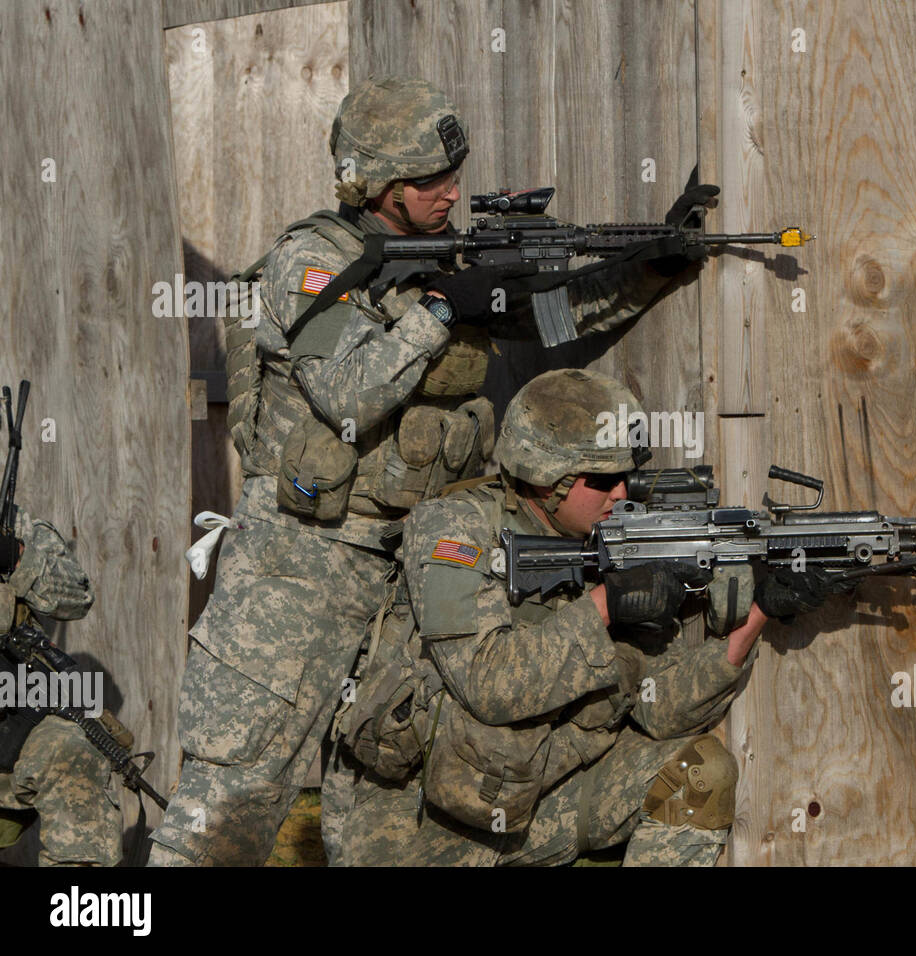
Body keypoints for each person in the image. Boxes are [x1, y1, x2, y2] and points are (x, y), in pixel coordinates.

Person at [150, 77, 710, 866]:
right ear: (373, 183)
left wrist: (651, 265)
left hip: (407, 561)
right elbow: (345, 387)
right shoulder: (308, 263)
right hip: (299, 569)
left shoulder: (443, 257)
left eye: (454, 174)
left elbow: (558, 318)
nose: (451, 193)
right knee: (233, 798)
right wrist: (442, 309)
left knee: (377, 789)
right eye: (427, 182)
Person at [328, 369, 847, 865]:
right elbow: (487, 682)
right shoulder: (455, 529)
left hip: (543, 803)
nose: (621, 493)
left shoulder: (616, 540)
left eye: (627, 475)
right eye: (602, 478)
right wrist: (606, 604)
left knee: (701, 775)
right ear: (545, 478)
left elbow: (658, 709)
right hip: (418, 824)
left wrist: (759, 614)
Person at [0, 509, 120, 867]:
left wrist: (15, 555)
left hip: (11, 717)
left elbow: (76, 596)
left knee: (73, 750)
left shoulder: (10, 520)